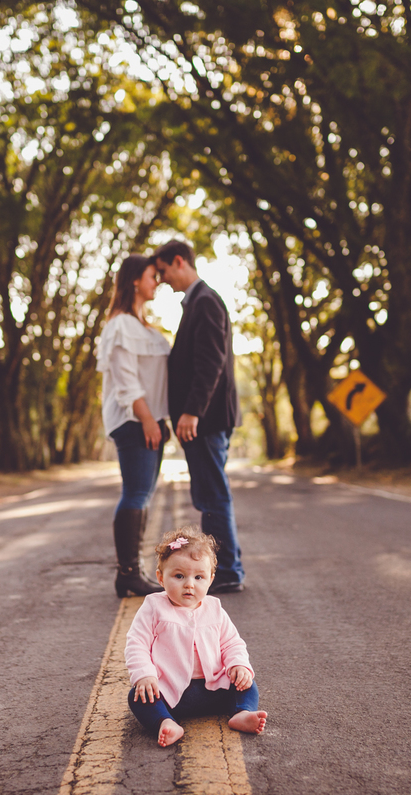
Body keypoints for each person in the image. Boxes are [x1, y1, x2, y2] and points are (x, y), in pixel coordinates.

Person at [149, 240, 245, 593]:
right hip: (203, 420)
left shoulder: (205, 301)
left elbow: (210, 363)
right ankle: (228, 570)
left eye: (163, 271)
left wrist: (191, 412)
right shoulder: (196, 302)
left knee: (213, 495)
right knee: (208, 494)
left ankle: (229, 571)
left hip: (206, 420)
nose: (161, 280)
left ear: (179, 262)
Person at [125, 525, 268, 747]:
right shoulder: (154, 607)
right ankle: (165, 722)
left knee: (246, 682)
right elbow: (137, 644)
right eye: (179, 576)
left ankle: (242, 713)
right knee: (138, 696)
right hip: (170, 691)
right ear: (161, 578)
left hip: (213, 689)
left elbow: (231, 643)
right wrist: (145, 675)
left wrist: (237, 665)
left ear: (210, 579)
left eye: (199, 577)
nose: (189, 584)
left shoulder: (214, 608)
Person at [96, 254, 172, 597]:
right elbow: (126, 383)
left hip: (150, 420)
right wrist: (147, 419)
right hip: (134, 421)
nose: (157, 281)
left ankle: (131, 571)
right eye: (151, 276)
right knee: (136, 494)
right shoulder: (121, 325)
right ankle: (127, 573)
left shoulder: (144, 327)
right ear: (133, 281)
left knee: (143, 495)